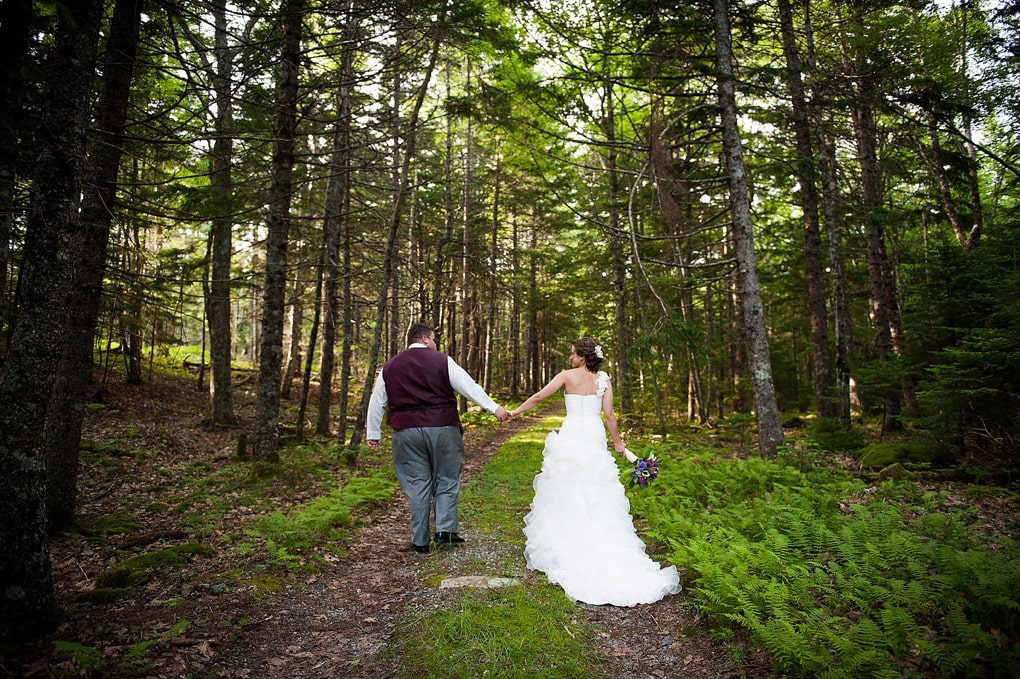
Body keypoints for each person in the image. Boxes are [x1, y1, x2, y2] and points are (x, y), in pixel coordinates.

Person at [510, 337, 681, 606]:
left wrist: (515, 411)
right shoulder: (603, 380)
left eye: (572, 354)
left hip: (571, 436)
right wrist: (618, 443)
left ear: (582, 356)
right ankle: (599, 536)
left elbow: (540, 396)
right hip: (592, 435)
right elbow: (609, 415)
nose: (570, 358)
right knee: (595, 486)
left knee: (568, 484)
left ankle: (568, 539)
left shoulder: (566, 376)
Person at [368, 323, 512, 554]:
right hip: (443, 426)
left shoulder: (390, 366)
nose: (435, 344)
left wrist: (373, 433)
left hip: (406, 431)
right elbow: (468, 387)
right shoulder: (442, 360)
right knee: (447, 477)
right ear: (425, 339)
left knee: (417, 483)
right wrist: (494, 408)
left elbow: (377, 402)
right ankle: (445, 531)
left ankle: (420, 541)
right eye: (434, 339)